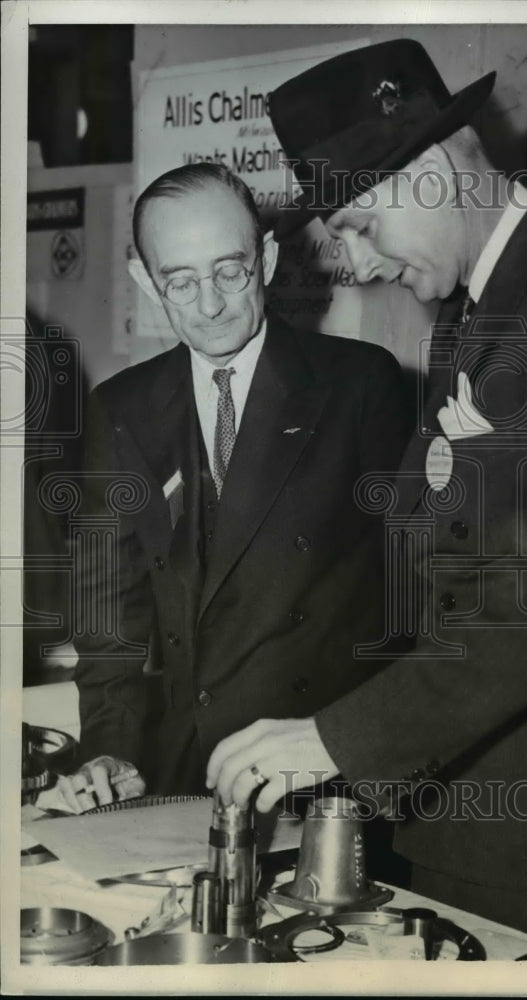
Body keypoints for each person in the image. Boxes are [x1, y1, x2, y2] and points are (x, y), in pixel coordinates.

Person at [205, 40, 527, 949]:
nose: (355, 263)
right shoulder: (483, 303)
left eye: (359, 225)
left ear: (432, 171)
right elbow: (433, 539)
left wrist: (339, 741)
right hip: (463, 799)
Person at [58, 161, 411, 811]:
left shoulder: (361, 386)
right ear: (144, 280)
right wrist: (111, 749)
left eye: (230, 270)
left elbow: (411, 601)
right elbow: (110, 620)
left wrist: (355, 748)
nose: (211, 304)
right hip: (178, 775)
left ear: (268, 258)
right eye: (181, 282)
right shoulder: (121, 409)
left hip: (319, 779)